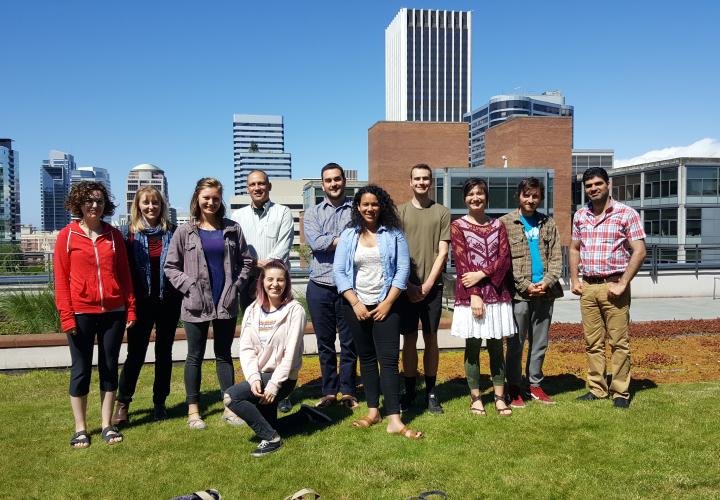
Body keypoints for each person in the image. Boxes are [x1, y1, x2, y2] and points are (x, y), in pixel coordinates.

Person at [334, 185, 422, 439]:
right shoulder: (349, 235)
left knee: (389, 361)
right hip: (357, 306)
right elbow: (339, 272)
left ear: (381, 205)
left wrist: (387, 303)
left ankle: (394, 418)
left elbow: (402, 271)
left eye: (374, 204)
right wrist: (355, 303)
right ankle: (373, 412)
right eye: (365, 204)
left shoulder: (394, 234)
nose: (370, 209)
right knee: (368, 359)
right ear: (358, 207)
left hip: (388, 306)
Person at [165, 177, 253, 429]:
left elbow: (246, 261)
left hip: (224, 301)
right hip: (195, 303)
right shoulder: (185, 232)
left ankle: (229, 406)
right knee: (194, 356)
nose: (211, 202)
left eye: (215, 198)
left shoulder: (232, 229)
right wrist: (189, 286)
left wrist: (236, 285)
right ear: (197, 199)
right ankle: (194, 410)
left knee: (224, 355)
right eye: (206, 198)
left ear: (220, 199)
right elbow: (171, 267)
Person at [53, 181, 136, 447]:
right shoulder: (66, 237)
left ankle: (107, 424)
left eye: (99, 201)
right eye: (89, 201)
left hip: (113, 311)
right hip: (80, 312)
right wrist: (67, 316)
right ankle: (80, 428)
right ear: (79, 204)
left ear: (105, 205)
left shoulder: (113, 236)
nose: (94, 205)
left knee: (110, 367)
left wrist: (130, 307)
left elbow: (124, 275)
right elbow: (61, 282)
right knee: (80, 369)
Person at [224, 260, 331, 457]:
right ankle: (304, 417)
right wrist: (254, 378)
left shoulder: (295, 311)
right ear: (262, 282)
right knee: (271, 425)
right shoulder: (252, 310)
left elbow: (290, 354)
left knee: (232, 397)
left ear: (287, 283)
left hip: (283, 379)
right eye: (270, 279)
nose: (275, 284)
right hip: (260, 376)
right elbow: (246, 349)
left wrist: (273, 385)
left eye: (280, 280)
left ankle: (272, 440)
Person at [570, 167, 646, 409]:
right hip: (589, 287)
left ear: (608, 184)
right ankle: (597, 388)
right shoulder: (580, 216)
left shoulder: (626, 214)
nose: (593, 188)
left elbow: (640, 250)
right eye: (589, 185)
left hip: (614, 286)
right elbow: (574, 248)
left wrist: (623, 282)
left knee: (618, 342)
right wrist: (574, 279)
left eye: (598, 183)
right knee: (592, 343)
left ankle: (621, 392)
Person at [112, 186, 182, 425]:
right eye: (146, 203)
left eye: (155, 203)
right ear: (138, 206)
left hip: (168, 302)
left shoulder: (172, 232)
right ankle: (123, 403)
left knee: (164, 353)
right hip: (139, 303)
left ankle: (160, 402)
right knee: (136, 354)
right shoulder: (127, 234)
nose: (151, 207)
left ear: (162, 206)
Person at [450, 178, 515, 417]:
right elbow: (462, 262)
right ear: (465, 198)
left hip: (497, 294)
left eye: (480, 193)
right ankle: (476, 397)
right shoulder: (458, 226)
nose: (475, 197)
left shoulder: (498, 225)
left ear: (487, 197)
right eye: (471, 194)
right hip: (471, 297)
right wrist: (475, 294)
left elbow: (504, 260)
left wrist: (481, 273)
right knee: (473, 346)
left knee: (497, 346)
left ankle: (499, 397)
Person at [232, 169, 295, 413]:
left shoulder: (283, 212)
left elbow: (284, 246)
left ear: (269, 186)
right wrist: (253, 264)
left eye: (261, 184)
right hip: (248, 282)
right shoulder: (238, 216)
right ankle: (256, 387)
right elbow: (236, 249)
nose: (257, 188)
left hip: (277, 283)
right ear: (247, 188)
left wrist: (263, 265)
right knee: (254, 338)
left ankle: (282, 391)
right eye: (252, 184)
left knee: (281, 338)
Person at [500, 178, 563, 408]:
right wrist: (525, 284)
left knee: (540, 342)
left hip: (545, 293)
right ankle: (514, 387)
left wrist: (546, 282)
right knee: (516, 343)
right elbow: (504, 261)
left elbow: (557, 258)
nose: (531, 200)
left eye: (535, 196)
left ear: (540, 198)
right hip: (519, 294)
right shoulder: (505, 223)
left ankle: (535, 384)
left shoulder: (548, 223)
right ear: (519, 196)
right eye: (527, 195)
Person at [303, 163, 358, 409]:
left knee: (349, 342)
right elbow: (316, 243)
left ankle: (348, 391)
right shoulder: (313, 213)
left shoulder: (357, 210)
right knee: (325, 343)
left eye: (337, 179)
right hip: (320, 285)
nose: (333, 184)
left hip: (350, 286)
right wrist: (345, 240)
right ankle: (329, 392)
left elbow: (362, 240)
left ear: (344, 181)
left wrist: (333, 241)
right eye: (328, 180)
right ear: (322, 184)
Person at [397, 164, 451, 414]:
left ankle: (431, 391)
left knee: (431, 338)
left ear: (431, 182)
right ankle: (409, 392)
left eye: (425, 178)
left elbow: (443, 252)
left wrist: (428, 284)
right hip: (405, 287)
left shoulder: (441, 212)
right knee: (408, 339)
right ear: (410, 182)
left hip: (433, 287)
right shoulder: (400, 213)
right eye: (417, 178)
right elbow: (395, 252)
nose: (421, 182)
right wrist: (407, 284)